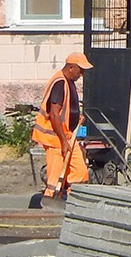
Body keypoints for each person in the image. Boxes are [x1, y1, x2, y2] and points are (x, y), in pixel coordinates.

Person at [30, 52, 93, 205]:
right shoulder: (59, 83)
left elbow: (65, 110)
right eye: (80, 70)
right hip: (55, 138)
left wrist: (75, 116)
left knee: (80, 171)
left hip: (67, 135)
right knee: (55, 176)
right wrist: (63, 141)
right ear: (71, 67)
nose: (82, 74)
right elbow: (54, 113)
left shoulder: (68, 82)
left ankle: (71, 201)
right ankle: (49, 203)